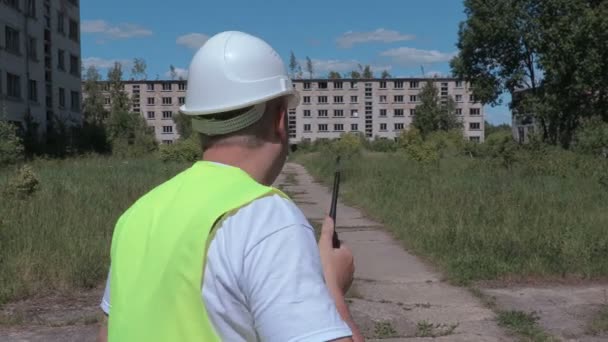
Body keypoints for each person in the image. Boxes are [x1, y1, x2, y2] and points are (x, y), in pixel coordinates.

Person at [97, 31, 364, 342]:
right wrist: (331, 287)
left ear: (196, 120)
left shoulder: (136, 216)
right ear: (280, 118)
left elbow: (108, 334)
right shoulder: (266, 219)